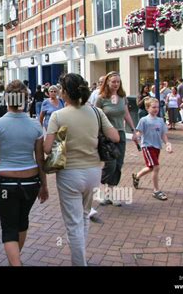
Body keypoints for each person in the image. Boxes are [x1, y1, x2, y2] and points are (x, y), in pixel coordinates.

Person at [44, 73, 119, 265]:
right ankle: (81, 257)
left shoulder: (58, 116)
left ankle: (80, 262)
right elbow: (115, 137)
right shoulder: (95, 112)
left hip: (69, 173)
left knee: (73, 223)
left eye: (61, 89)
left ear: (66, 93)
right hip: (93, 171)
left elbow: (46, 148)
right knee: (84, 216)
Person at [0, 80, 49, 266]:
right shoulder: (35, 126)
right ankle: (15, 259)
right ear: (25, 100)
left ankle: (15, 263)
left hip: (7, 183)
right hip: (31, 182)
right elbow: (40, 159)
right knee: (22, 222)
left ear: (7, 99)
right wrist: (44, 185)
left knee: (9, 227)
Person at [95, 71, 138, 206]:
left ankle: (111, 194)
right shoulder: (101, 98)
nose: (116, 84)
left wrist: (133, 129)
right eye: (113, 81)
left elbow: (126, 114)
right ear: (107, 82)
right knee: (110, 164)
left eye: (118, 82)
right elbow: (95, 116)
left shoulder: (122, 97)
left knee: (118, 164)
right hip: (107, 135)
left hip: (120, 134)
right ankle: (103, 190)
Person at [132, 98, 173, 201]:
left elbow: (163, 134)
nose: (156, 109)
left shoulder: (160, 120)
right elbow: (139, 133)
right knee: (156, 167)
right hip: (147, 146)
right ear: (147, 108)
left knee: (150, 167)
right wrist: (136, 136)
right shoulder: (144, 120)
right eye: (153, 107)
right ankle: (156, 190)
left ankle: (137, 176)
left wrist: (167, 144)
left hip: (157, 147)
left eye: (157, 107)